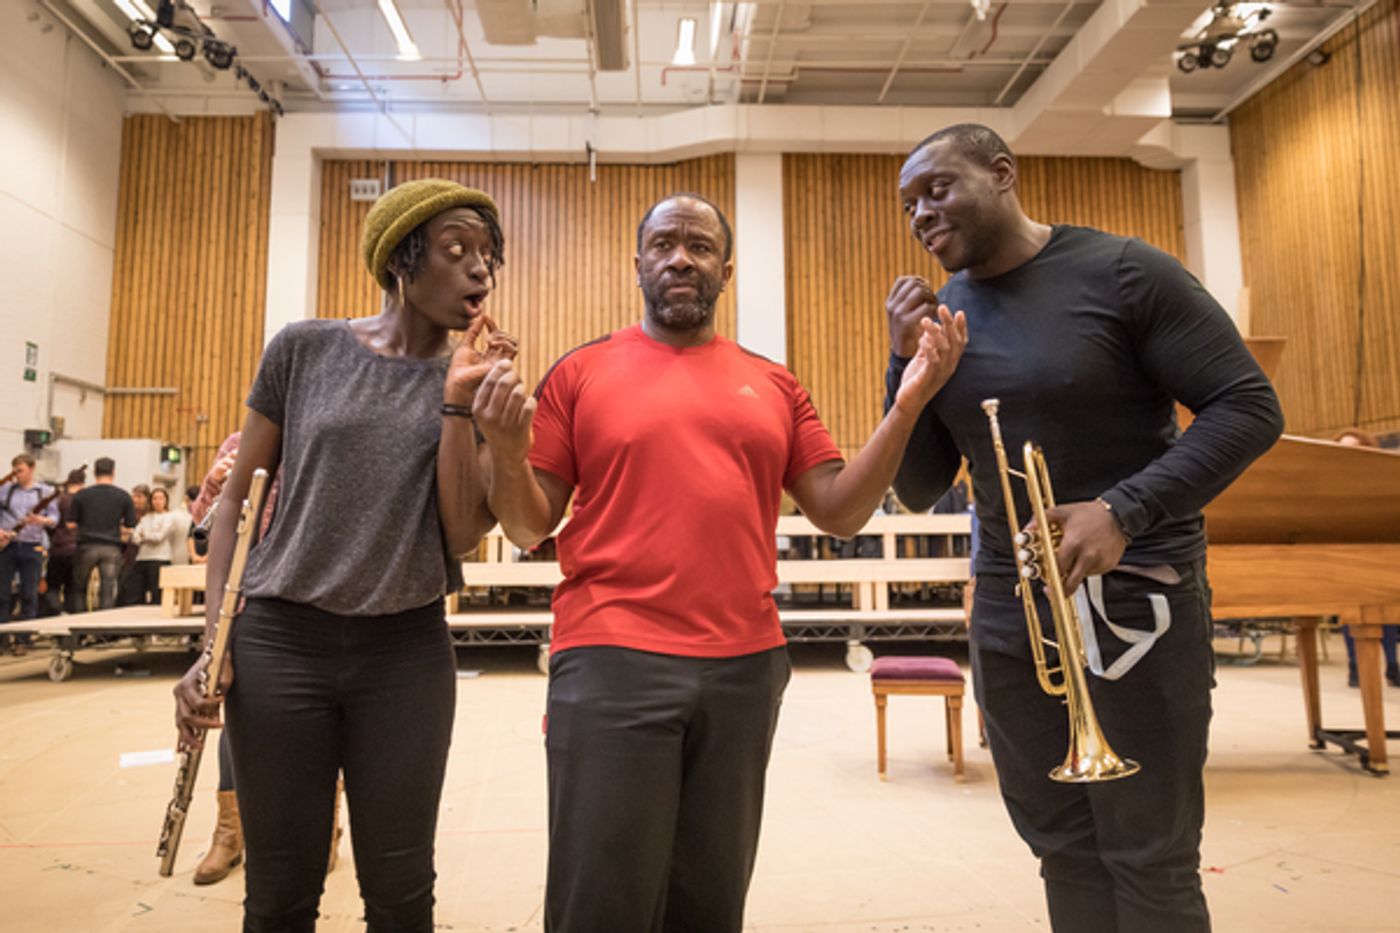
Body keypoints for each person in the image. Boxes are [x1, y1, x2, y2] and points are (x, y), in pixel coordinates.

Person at [474, 192, 953, 933]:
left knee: (710, 901)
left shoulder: (774, 383)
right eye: (664, 245)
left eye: (699, 247)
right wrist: (507, 451)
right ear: (637, 263)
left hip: (743, 667)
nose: (680, 259)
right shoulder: (581, 372)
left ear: (725, 271)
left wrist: (907, 406)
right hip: (610, 657)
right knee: (600, 899)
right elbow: (528, 522)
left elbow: (839, 510)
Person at [883, 123, 1285, 933]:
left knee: (1150, 854)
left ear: (1003, 173)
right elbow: (920, 487)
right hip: (1014, 613)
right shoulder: (946, 317)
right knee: (1062, 848)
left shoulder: (1125, 271)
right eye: (908, 204)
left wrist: (1123, 508)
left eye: (938, 187)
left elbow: (1249, 406)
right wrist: (903, 366)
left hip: (1139, 601)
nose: (921, 212)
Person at [174, 178, 516, 932]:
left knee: (401, 891)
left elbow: (463, 533)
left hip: (405, 651)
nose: (479, 269)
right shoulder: (305, 348)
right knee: (280, 891)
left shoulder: (475, 378)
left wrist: (459, 402)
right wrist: (211, 645)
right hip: (280, 642)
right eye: (456, 250)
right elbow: (236, 503)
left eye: (487, 255)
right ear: (401, 261)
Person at [1332, 429, 1399, 687]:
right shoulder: (1332, 483)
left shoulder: (1381, 479)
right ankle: (1355, 666)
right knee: (1352, 613)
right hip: (1345, 552)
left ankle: (1392, 664)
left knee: (1385, 612)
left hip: (1378, 550)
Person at [0, 454, 61, 653]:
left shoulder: (45, 492)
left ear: (32, 469)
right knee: (2, 594)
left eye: (21, 470)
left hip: (32, 546)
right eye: (14, 471)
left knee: (29, 594)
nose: (16, 475)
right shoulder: (5, 490)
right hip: (7, 546)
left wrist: (41, 520)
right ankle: (2, 637)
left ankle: (23, 639)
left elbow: (54, 518)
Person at [69, 458, 136, 612]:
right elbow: (130, 524)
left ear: (94, 472)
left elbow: (71, 523)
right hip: (111, 547)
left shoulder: (82, 495)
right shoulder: (123, 496)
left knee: (80, 588)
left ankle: (79, 623)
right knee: (107, 588)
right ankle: (104, 625)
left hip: (86, 546)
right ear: (113, 472)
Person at [44, 468, 87, 616]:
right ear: (83, 483)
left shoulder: (58, 500)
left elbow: (50, 525)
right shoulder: (83, 501)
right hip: (77, 548)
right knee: (73, 589)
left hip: (58, 547)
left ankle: (55, 612)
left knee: (53, 587)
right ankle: (69, 618)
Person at [128, 487, 179, 605]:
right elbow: (135, 537)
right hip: (142, 558)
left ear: (166, 500)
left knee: (156, 594)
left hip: (160, 558)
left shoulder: (170, 517)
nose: (157, 501)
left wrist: (144, 535)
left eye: (161, 498)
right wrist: (147, 535)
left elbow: (159, 537)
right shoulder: (145, 518)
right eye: (155, 498)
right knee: (136, 592)